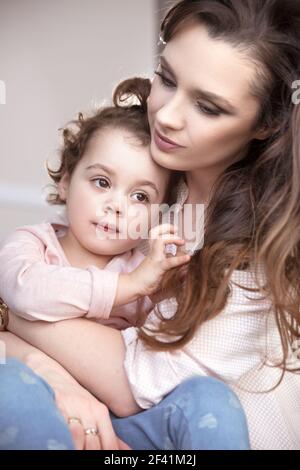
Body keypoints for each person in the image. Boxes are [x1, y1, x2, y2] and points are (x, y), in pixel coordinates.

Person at [2, 0, 300, 450]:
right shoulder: (144, 166)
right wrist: (50, 373)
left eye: (208, 107)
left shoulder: (260, 249)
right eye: (167, 78)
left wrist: (14, 308)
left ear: (266, 123)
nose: (166, 115)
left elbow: (137, 383)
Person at [0, 78, 190, 329]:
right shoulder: (31, 244)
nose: (117, 205)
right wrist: (130, 285)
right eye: (102, 182)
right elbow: (25, 292)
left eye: (140, 197)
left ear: (158, 215)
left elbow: (146, 357)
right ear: (66, 181)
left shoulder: (149, 277)